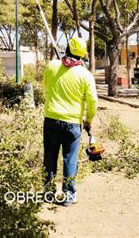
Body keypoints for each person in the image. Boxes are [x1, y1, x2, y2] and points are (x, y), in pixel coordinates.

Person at [42, 37, 98, 206]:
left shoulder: (52, 66)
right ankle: (68, 196)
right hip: (73, 123)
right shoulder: (85, 75)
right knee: (70, 159)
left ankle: (48, 193)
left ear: (66, 48)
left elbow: (46, 85)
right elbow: (93, 101)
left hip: (51, 120)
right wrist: (88, 120)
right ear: (82, 54)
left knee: (50, 158)